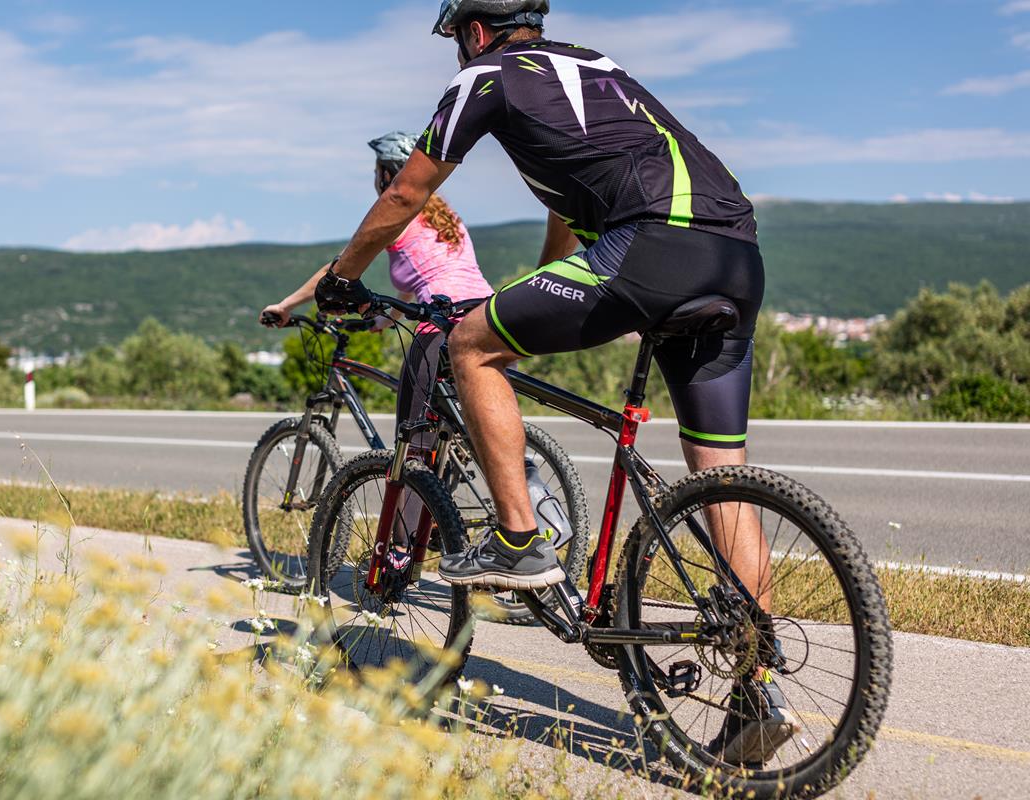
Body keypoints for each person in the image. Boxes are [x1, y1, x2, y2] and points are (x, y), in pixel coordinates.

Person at [311, 0, 795, 766]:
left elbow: (405, 194)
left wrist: (342, 277)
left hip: (652, 247)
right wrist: (539, 289)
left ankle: (520, 540)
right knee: (723, 483)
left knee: (470, 347)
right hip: (737, 255)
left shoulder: (485, 78)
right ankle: (757, 693)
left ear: (473, 31)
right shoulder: (596, 67)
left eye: (457, 38)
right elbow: (568, 214)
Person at [261, 131, 493, 554]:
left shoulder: (396, 211)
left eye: (376, 172)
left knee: (413, 440)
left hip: (443, 323)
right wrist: (386, 319)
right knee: (473, 426)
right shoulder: (446, 218)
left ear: (388, 174)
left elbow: (338, 268)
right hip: (488, 317)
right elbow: (423, 276)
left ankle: (401, 553)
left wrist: (287, 304)